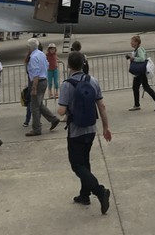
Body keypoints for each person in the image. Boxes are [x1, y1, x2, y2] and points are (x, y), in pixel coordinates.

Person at [57, 50, 112, 213]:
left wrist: (61, 107)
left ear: (69, 65)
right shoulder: (92, 80)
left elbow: (61, 111)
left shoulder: (67, 85)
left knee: (77, 165)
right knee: (85, 162)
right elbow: (101, 105)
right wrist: (106, 127)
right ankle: (84, 194)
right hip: (91, 129)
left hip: (76, 131)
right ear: (83, 64)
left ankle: (99, 191)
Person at [25, 38, 61, 136]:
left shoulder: (33, 57)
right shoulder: (41, 54)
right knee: (39, 104)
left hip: (38, 81)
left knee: (34, 107)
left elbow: (35, 73)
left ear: (30, 47)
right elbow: (47, 65)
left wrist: (34, 87)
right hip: (43, 80)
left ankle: (37, 128)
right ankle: (53, 119)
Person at [126, 35, 155, 111]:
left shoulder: (139, 49)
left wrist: (133, 58)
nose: (131, 43)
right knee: (137, 87)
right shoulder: (137, 50)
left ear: (136, 42)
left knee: (144, 87)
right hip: (140, 72)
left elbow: (142, 59)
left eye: (132, 41)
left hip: (140, 72)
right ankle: (137, 104)